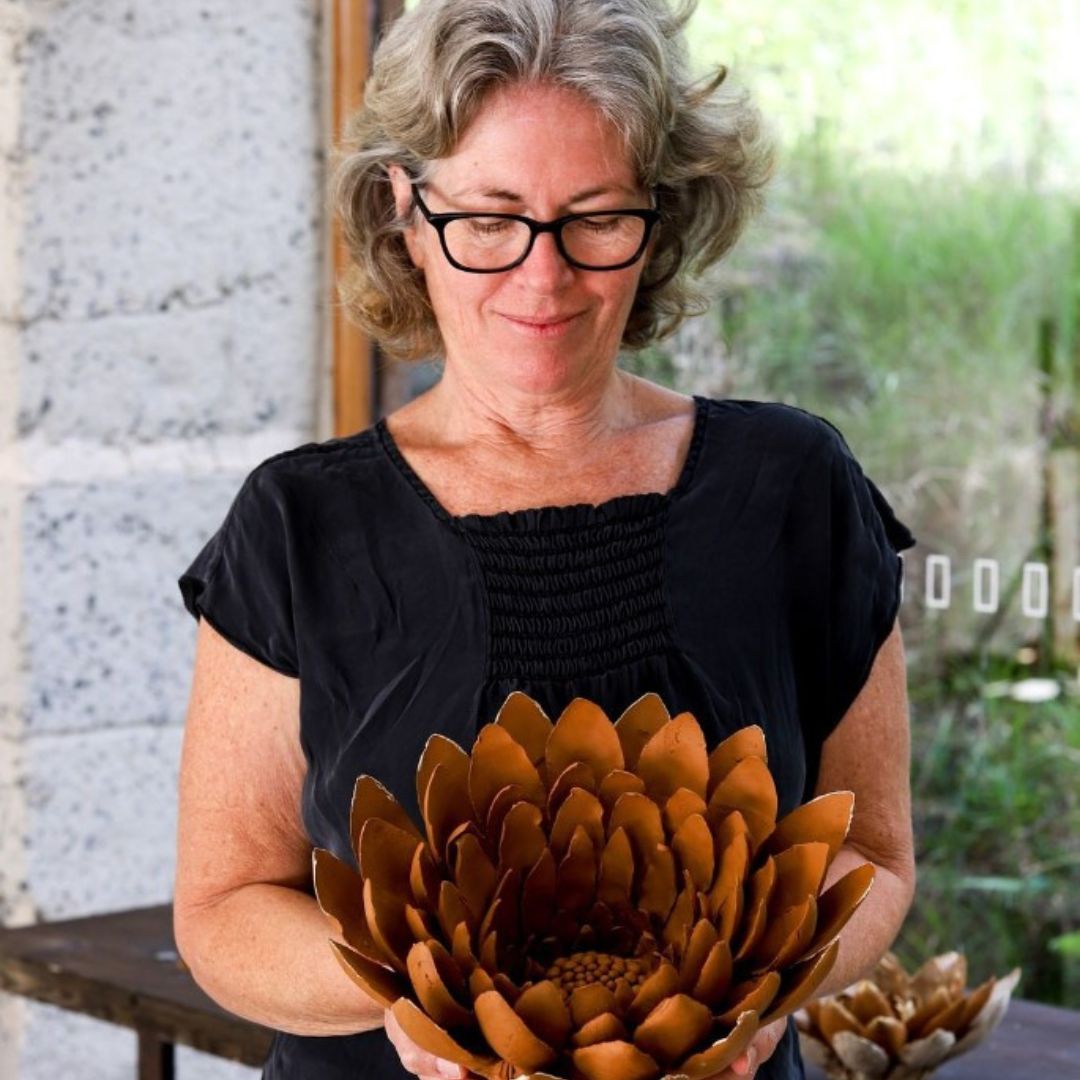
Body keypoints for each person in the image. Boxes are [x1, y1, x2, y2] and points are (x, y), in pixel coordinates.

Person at [174, 1, 917, 1077]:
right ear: (407, 210)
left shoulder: (793, 488)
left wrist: (757, 996)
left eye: (597, 216)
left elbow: (874, 856)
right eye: (490, 216)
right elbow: (224, 909)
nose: (543, 275)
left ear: (661, 215)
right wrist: (421, 993)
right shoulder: (301, 526)